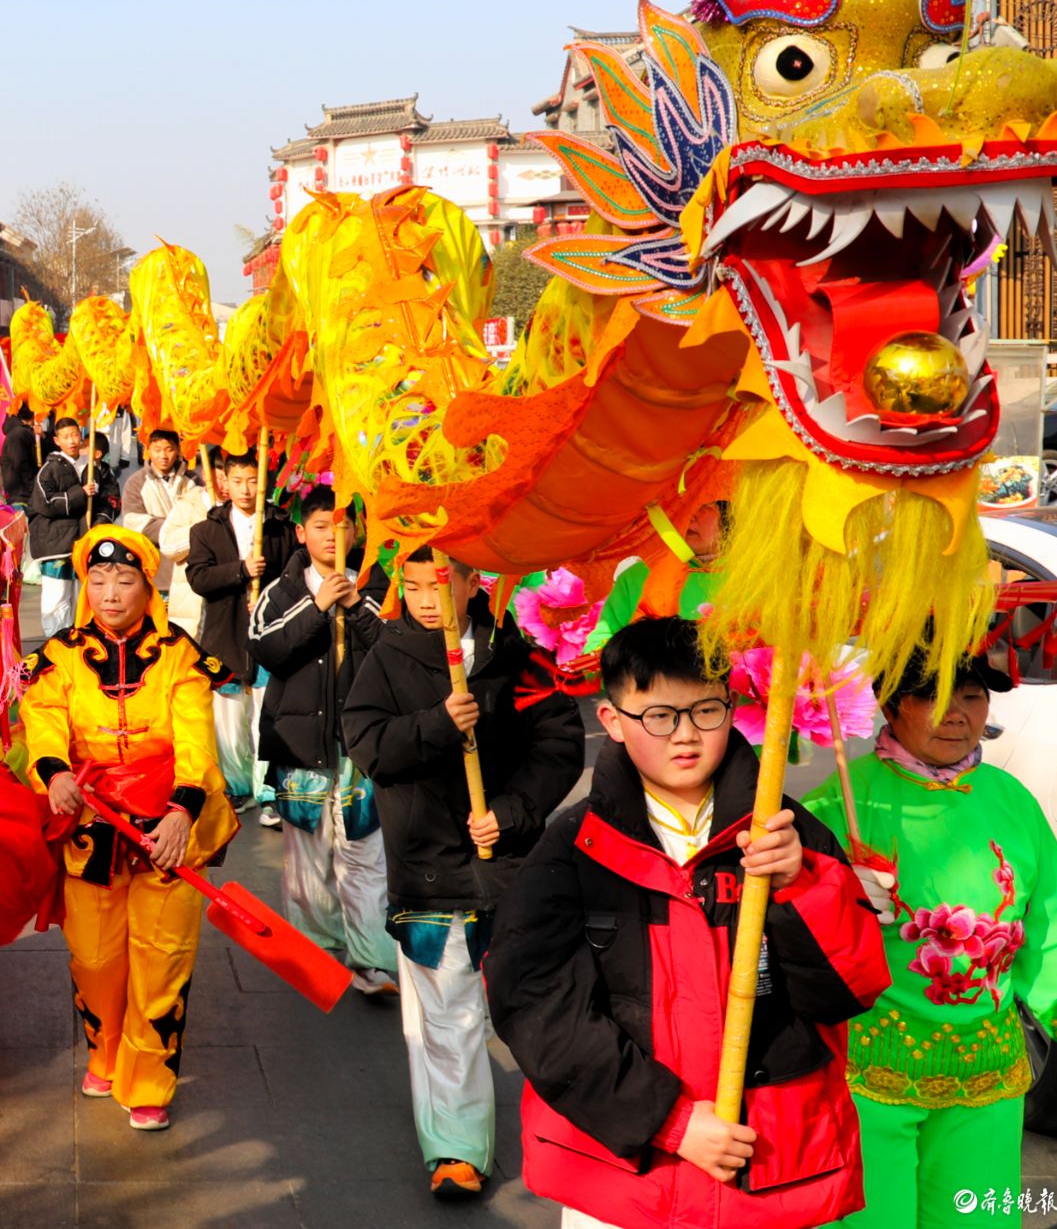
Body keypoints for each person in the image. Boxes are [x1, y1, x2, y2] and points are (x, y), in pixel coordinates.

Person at [486, 615, 889, 1229]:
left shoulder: (786, 834)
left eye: (706, 711)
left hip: (767, 1166)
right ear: (612, 721)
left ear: (734, 708)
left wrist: (801, 885)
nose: (686, 736)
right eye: (658, 716)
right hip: (623, 1176)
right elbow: (537, 1008)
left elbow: (849, 988)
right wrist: (671, 1122)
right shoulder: (572, 849)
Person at [803, 645, 1057, 1229]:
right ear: (891, 706)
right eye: (930, 697)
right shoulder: (837, 803)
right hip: (869, 1070)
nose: (956, 714)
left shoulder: (1010, 801)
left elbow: (1052, 921)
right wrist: (829, 885)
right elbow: (781, 936)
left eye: (971, 696)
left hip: (987, 1070)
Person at [342, 545, 585, 1198]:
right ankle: (455, 1148)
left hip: (512, 863)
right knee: (446, 1013)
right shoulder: (388, 654)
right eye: (414, 586)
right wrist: (435, 725)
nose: (426, 599)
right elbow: (366, 744)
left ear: (474, 581)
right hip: (427, 867)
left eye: (440, 584)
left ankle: (571, 1133)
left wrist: (512, 812)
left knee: (531, 1004)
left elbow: (559, 742)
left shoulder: (519, 651)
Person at [18, 524, 238, 1131]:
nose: (110, 591)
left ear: (149, 585)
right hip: (88, 823)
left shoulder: (180, 655)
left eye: (124, 578)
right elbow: (42, 719)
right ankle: (105, 1050)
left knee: (163, 958)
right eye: (99, 577)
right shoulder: (59, 655)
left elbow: (196, 735)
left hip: (164, 827)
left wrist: (182, 809)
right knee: (94, 958)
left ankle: (149, 1078)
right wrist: (54, 772)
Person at [249, 486, 396, 995]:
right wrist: (316, 607)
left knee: (365, 853)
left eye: (342, 528)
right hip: (299, 744)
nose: (333, 537)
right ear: (300, 533)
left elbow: (392, 651)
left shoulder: (380, 584)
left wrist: (354, 606)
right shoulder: (281, 589)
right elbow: (267, 650)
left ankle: (371, 959)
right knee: (307, 854)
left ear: (356, 532)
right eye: (320, 527)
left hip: (363, 746)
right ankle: (314, 952)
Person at [186, 448, 294, 826]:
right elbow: (199, 578)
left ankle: (267, 792)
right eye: (238, 481)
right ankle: (237, 788)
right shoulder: (206, 530)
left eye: (253, 480)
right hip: (225, 639)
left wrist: (269, 597)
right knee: (230, 725)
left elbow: (294, 579)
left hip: (269, 639)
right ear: (224, 483)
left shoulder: (280, 527)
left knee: (267, 718)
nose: (246, 489)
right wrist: (240, 571)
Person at [583, 501, 725, 656]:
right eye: (683, 505)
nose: (689, 516)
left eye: (704, 506)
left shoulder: (752, 580)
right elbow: (603, 643)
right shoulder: (637, 576)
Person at [29, 416, 97, 636]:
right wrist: (79, 493)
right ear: (57, 440)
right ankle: (56, 643)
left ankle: (78, 641)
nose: (72, 440)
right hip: (56, 545)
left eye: (75, 434)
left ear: (82, 435)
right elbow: (45, 503)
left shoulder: (91, 467)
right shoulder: (49, 469)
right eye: (66, 436)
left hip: (82, 540)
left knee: (81, 597)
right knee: (56, 599)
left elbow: (109, 499)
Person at [159, 453, 227, 638]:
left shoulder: (240, 510)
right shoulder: (188, 503)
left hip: (225, 605)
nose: (225, 485)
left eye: (230, 479)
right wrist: (204, 532)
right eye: (220, 478)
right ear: (206, 474)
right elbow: (167, 545)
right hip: (190, 604)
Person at [122, 429, 190, 594]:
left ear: (178, 450)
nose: (163, 456)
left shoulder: (192, 480)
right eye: (157, 449)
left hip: (188, 570)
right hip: (155, 569)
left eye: (169, 449)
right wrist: (179, 529)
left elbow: (200, 521)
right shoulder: (136, 483)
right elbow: (136, 523)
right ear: (148, 450)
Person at [1, 403, 40, 510]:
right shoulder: (19, 434)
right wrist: (34, 489)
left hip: (21, 495)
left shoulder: (18, 432)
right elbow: (21, 464)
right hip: (23, 497)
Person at [89, 432, 123, 526]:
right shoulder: (76, 470)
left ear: (97, 454)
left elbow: (114, 504)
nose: (79, 449)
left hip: (97, 527)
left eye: (84, 447)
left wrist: (99, 522)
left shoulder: (109, 478)